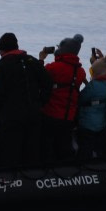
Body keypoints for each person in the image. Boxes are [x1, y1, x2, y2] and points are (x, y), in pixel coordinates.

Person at [0, 32, 52, 166]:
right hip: (34, 114)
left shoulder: (0, 67)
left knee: (12, 154)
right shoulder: (32, 62)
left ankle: (13, 183)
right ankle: (35, 181)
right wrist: (40, 103)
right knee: (32, 152)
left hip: (11, 118)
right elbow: (48, 84)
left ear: (1, 50)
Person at [39, 34, 87, 162]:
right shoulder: (81, 71)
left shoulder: (53, 67)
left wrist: (41, 59)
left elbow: (37, 77)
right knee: (64, 145)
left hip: (50, 114)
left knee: (47, 146)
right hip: (69, 117)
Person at [76, 53, 106, 159]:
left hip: (87, 122)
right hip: (103, 122)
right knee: (100, 147)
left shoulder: (93, 86)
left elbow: (80, 99)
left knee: (85, 148)